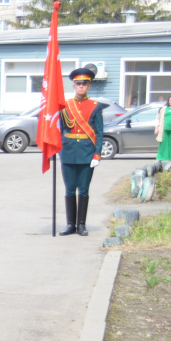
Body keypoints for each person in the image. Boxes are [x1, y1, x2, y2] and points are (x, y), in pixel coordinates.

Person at [56, 68, 103, 237]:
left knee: (83, 190)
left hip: (86, 152)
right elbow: (58, 128)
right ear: (74, 86)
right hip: (68, 151)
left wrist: (97, 154)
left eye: (84, 84)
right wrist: (56, 148)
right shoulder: (65, 105)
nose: (81, 86)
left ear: (89, 86)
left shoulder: (95, 106)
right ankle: (70, 225)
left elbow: (99, 132)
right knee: (69, 190)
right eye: (78, 84)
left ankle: (81, 224)